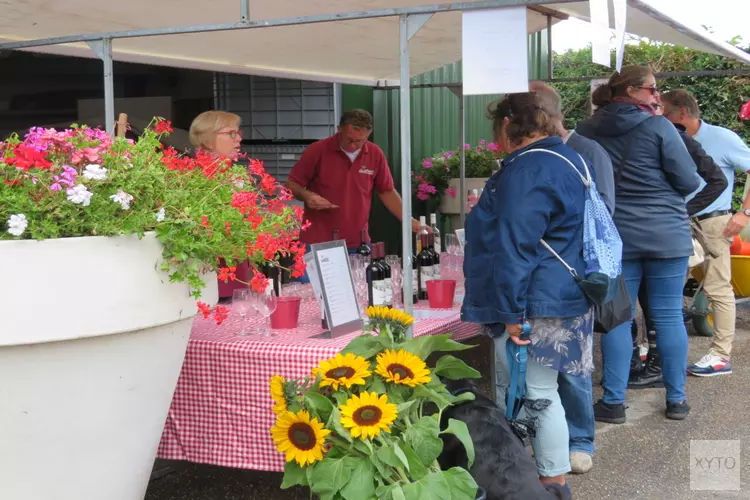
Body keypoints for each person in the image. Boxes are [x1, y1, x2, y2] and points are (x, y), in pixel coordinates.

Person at [462, 92, 595, 493]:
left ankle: (550, 485)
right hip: (560, 291)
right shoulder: (569, 158)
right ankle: (542, 480)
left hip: (535, 300)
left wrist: (510, 311)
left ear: (506, 125)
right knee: (537, 392)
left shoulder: (527, 169)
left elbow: (515, 245)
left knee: (537, 394)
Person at [576, 66, 701, 422]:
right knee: (668, 316)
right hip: (667, 234)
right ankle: (676, 400)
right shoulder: (659, 126)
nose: (657, 95)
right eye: (652, 89)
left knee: (618, 318)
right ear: (631, 91)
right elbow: (689, 180)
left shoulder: (585, 131)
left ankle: (614, 402)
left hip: (615, 238)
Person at [529, 81, 615, 475]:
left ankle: (580, 440)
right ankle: (549, 439)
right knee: (543, 371)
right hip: (541, 277)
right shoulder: (529, 156)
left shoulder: (586, 151)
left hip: (572, 276)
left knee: (573, 368)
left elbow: (603, 213)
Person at [628, 102, 727, 389]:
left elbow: (717, 180)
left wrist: (683, 210)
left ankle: (657, 367)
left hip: (662, 234)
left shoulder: (676, 137)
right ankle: (649, 366)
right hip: (650, 233)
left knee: (657, 308)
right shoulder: (626, 137)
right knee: (645, 306)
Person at [660, 89, 750, 376]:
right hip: (676, 221)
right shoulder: (666, 137)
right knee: (666, 287)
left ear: (681, 114)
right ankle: (659, 349)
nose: (658, 115)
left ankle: (721, 355)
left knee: (718, 288)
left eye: (663, 110)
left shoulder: (722, 138)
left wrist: (744, 213)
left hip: (712, 223)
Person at [285, 110, 420, 281]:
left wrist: (408, 220)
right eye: (349, 139)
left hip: (358, 243)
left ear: (368, 136)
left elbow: (386, 190)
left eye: (360, 141)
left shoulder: (374, 153)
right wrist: (307, 196)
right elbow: (291, 184)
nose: (353, 145)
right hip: (317, 242)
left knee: (360, 294)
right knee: (311, 294)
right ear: (339, 129)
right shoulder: (317, 150)